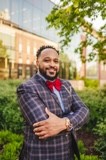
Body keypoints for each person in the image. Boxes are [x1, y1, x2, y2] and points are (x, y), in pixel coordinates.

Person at [17, 45, 89, 160]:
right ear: (37, 63)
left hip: (68, 154)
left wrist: (65, 122)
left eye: (55, 61)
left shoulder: (66, 85)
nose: (52, 64)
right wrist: (72, 117)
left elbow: (84, 111)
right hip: (41, 155)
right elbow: (45, 126)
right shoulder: (26, 88)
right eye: (46, 60)